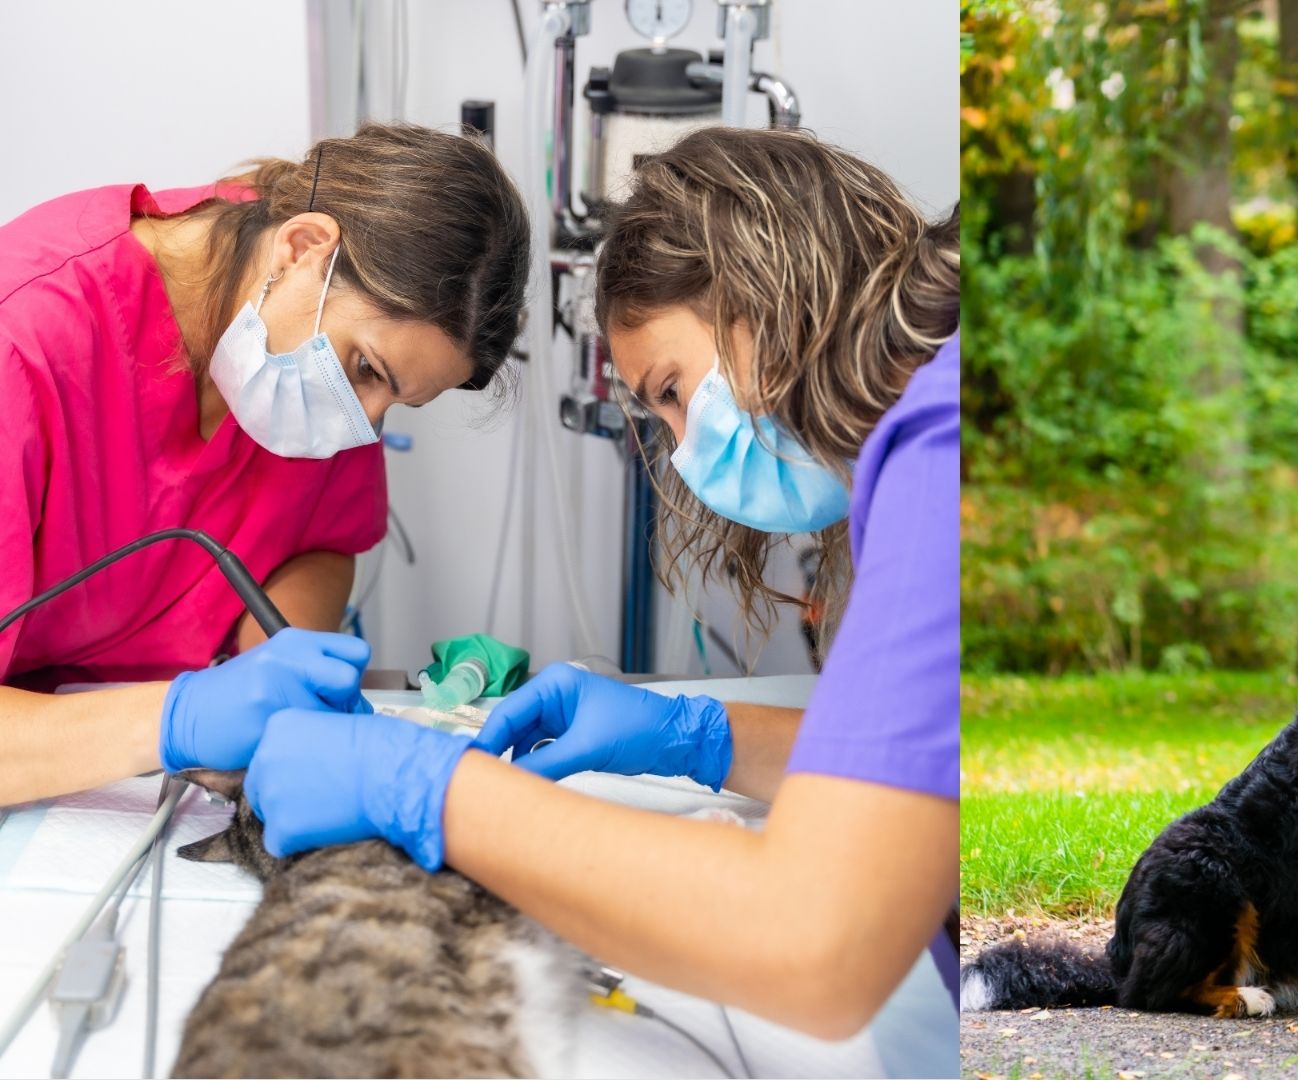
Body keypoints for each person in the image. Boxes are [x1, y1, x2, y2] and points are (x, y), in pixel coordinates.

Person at [241, 127, 962, 1039]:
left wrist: (433, 791)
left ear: (766, 289)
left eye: (672, 391)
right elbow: (913, 769)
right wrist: (700, 736)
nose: (683, 449)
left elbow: (817, 943)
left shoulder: (936, 448)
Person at [0, 123, 531, 807]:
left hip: (138, 773)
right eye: (367, 370)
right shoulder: (24, 342)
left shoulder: (304, 344)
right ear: (303, 247)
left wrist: (278, 678)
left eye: (397, 403)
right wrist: (178, 721)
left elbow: (319, 543)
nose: (362, 425)